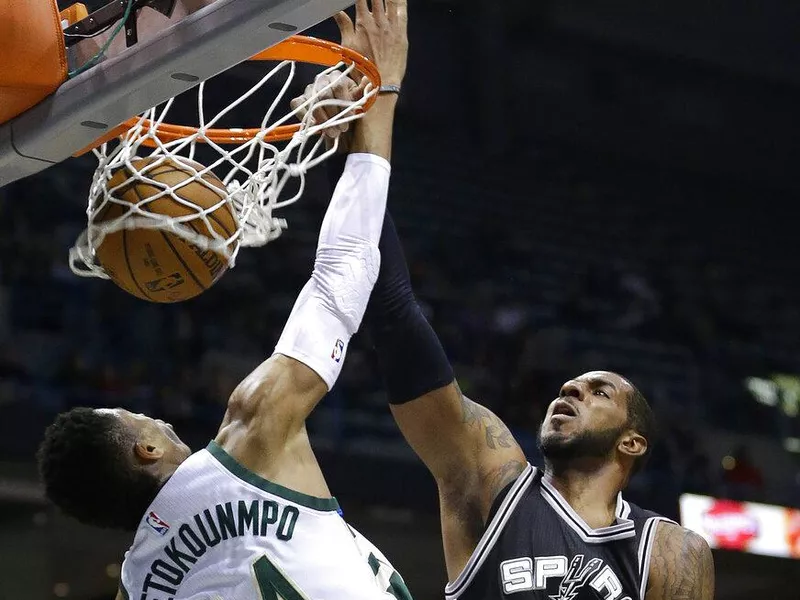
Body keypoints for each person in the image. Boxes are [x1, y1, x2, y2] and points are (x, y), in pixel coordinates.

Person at [36, 2, 411, 599]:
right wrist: (381, 91)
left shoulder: (137, 588)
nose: (158, 418)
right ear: (147, 447)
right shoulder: (251, 431)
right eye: (144, 419)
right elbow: (342, 277)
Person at [339, 207, 716, 597]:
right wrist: (365, 163)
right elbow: (398, 322)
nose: (571, 390)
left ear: (632, 442)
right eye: (569, 387)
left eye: (599, 392)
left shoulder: (669, 549)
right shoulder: (495, 484)